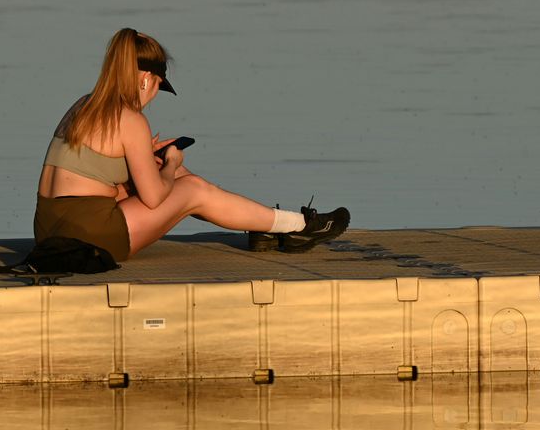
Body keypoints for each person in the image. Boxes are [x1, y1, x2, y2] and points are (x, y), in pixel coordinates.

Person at [34, 28, 349, 264]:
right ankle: (297, 225)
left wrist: (147, 158)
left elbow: (85, 182)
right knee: (192, 188)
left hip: (48, 229)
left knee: (180, 178)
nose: (154, 94)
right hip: (88, 237)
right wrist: (170, 163)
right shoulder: (130, 119)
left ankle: (267, 226)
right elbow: (155, 198)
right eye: (158, 85)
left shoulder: (82, 106)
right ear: (145, 78)